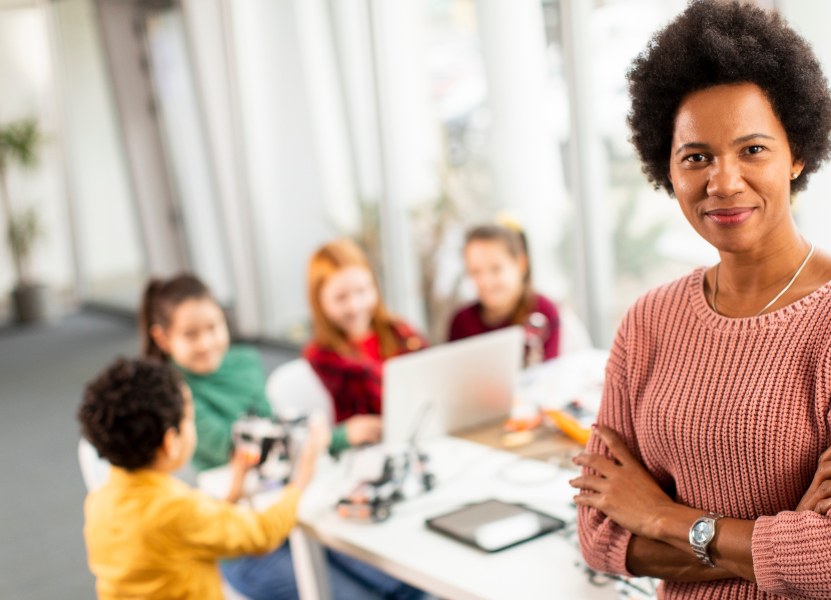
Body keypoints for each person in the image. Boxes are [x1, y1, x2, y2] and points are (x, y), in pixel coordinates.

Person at [569, 2, 831, 599]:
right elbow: (600, 536)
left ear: (796, 154)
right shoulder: (648, 322)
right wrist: (793, 530)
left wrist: (662, 517)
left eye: (752, 149)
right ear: (666, 168)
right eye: (696, 157)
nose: (722, 181)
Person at [142, 273, 424, 600]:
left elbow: (270, 438)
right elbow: (238, 449)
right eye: (191, 334)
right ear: (163, 338)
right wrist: (321, 444)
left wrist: (304, 447)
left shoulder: (244, 363)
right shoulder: (172, 393)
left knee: (406, 584)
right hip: (242, 530)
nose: (206, 342)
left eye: (213, 328)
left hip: (290, 511)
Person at [78, 357, 326, 600]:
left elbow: (191, 530)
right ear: (170, 443)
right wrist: (301, 481)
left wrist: (234, 489)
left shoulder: (99, 502)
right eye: (189, 417)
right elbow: (262, 536)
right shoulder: (176, 507)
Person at [304, 238, 427, 455]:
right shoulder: (322, 356)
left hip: (422, 434)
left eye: (362, 291)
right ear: (319, 302)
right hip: (366, 452)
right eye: (341, 298)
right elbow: (319, 439)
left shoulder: (399, 332)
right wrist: (343, 435)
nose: (355, 305)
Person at [449, 223, 561, 366]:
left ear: (521, 264)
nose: (485, 281)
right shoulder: (461, 322)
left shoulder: (543, 311)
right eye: (475, 271)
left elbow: (548, 374)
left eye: (496, 269)